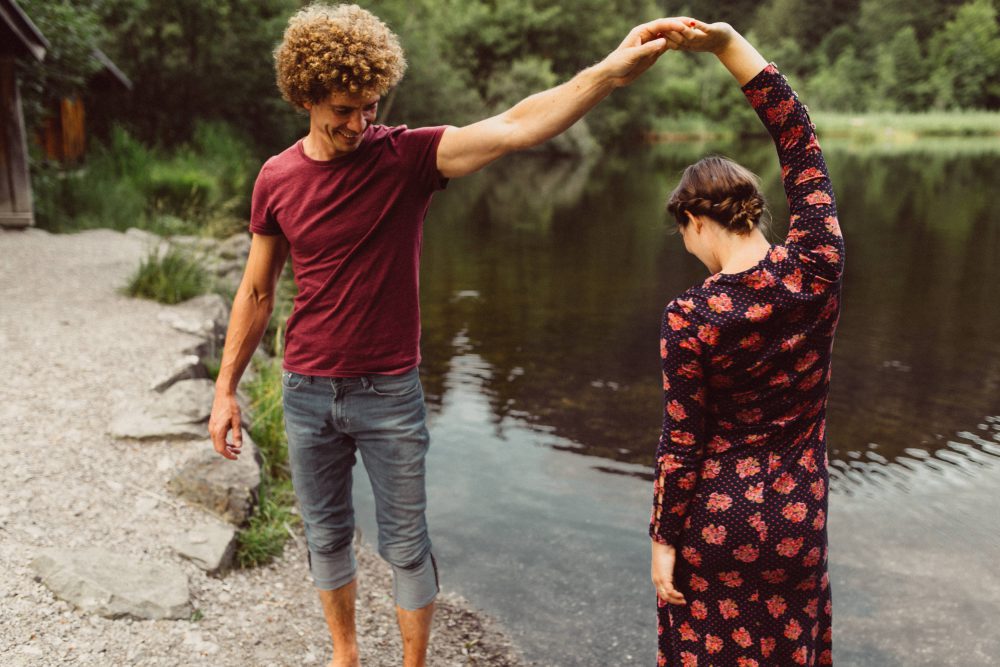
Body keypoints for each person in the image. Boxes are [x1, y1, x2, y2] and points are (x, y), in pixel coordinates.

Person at [206, 4, 686, 666]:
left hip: (389, 392)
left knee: (404, 543)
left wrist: (608, 72)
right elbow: (257, 291)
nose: (359, 123)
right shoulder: (276, 178)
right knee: (326, 535)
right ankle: (345, 656)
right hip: (306, 388)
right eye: (344, 109)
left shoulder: (406, 157)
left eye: (371, 106)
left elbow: (517, 126)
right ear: (305, 96)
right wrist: (225, 388)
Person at [648, 20, 842, 667]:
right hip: (798, 519)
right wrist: (730, 45)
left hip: (718, 521)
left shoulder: (692, 315)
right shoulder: (817, 264)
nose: (688, 248)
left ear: (696, 219)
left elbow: (682, 442)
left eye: (684, 234)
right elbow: (799, 138)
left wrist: (664, 538)